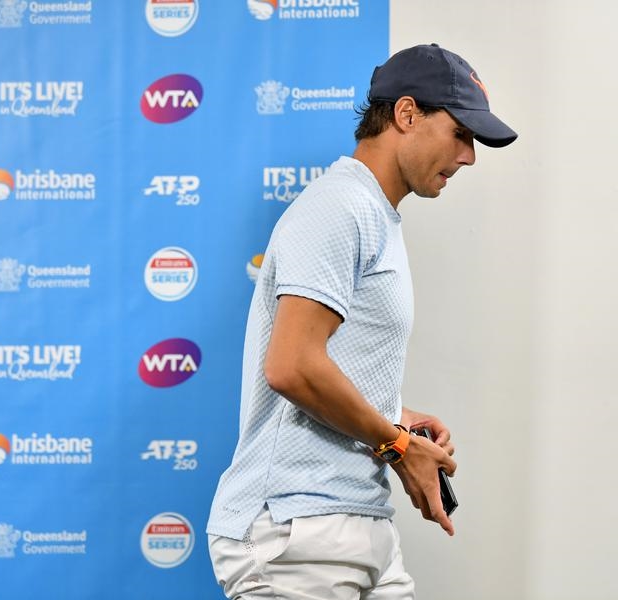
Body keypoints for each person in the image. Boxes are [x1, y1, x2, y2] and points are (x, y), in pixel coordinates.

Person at [206, 43, 517, 599]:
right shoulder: (339, 207)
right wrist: (398, 445)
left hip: (355, 523)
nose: (468, 156)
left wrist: (396, 417)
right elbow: (292, 366)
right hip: (296, 529)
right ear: (406, 114)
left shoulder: (373, 213)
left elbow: (325, 363)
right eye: (460, 134)